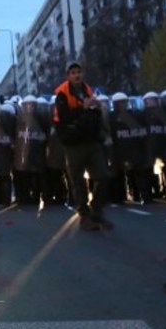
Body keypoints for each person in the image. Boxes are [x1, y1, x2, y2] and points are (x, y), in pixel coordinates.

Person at [53, 61, 112, 231]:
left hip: (91, 142)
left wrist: (96, 110)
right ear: (68, 76)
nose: (77, 75)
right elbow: (63, 118)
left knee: (103, 176)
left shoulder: (87, 90)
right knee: (77, 181)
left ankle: (96, 210)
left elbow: (93, 117)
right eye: (73, 72)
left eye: (78, 72)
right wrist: (83, 109)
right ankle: (84, 215)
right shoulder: (62, 94)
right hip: (73, 144)